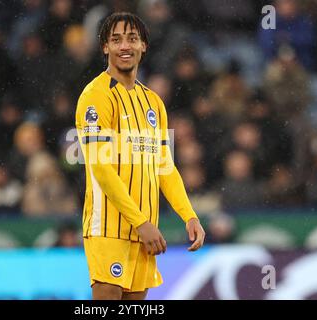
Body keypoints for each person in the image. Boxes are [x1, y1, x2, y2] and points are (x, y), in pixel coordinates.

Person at [75, 12, 205, 300]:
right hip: (108, 228)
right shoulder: (95, 96)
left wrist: (189, 215)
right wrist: (140, 222)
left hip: (144, 233)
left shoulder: (153, 102)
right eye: (116, 39)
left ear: (144, 45)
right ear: (104, 48)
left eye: (132, 38)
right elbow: (101, 167)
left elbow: (165, 167)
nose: (125, 46)